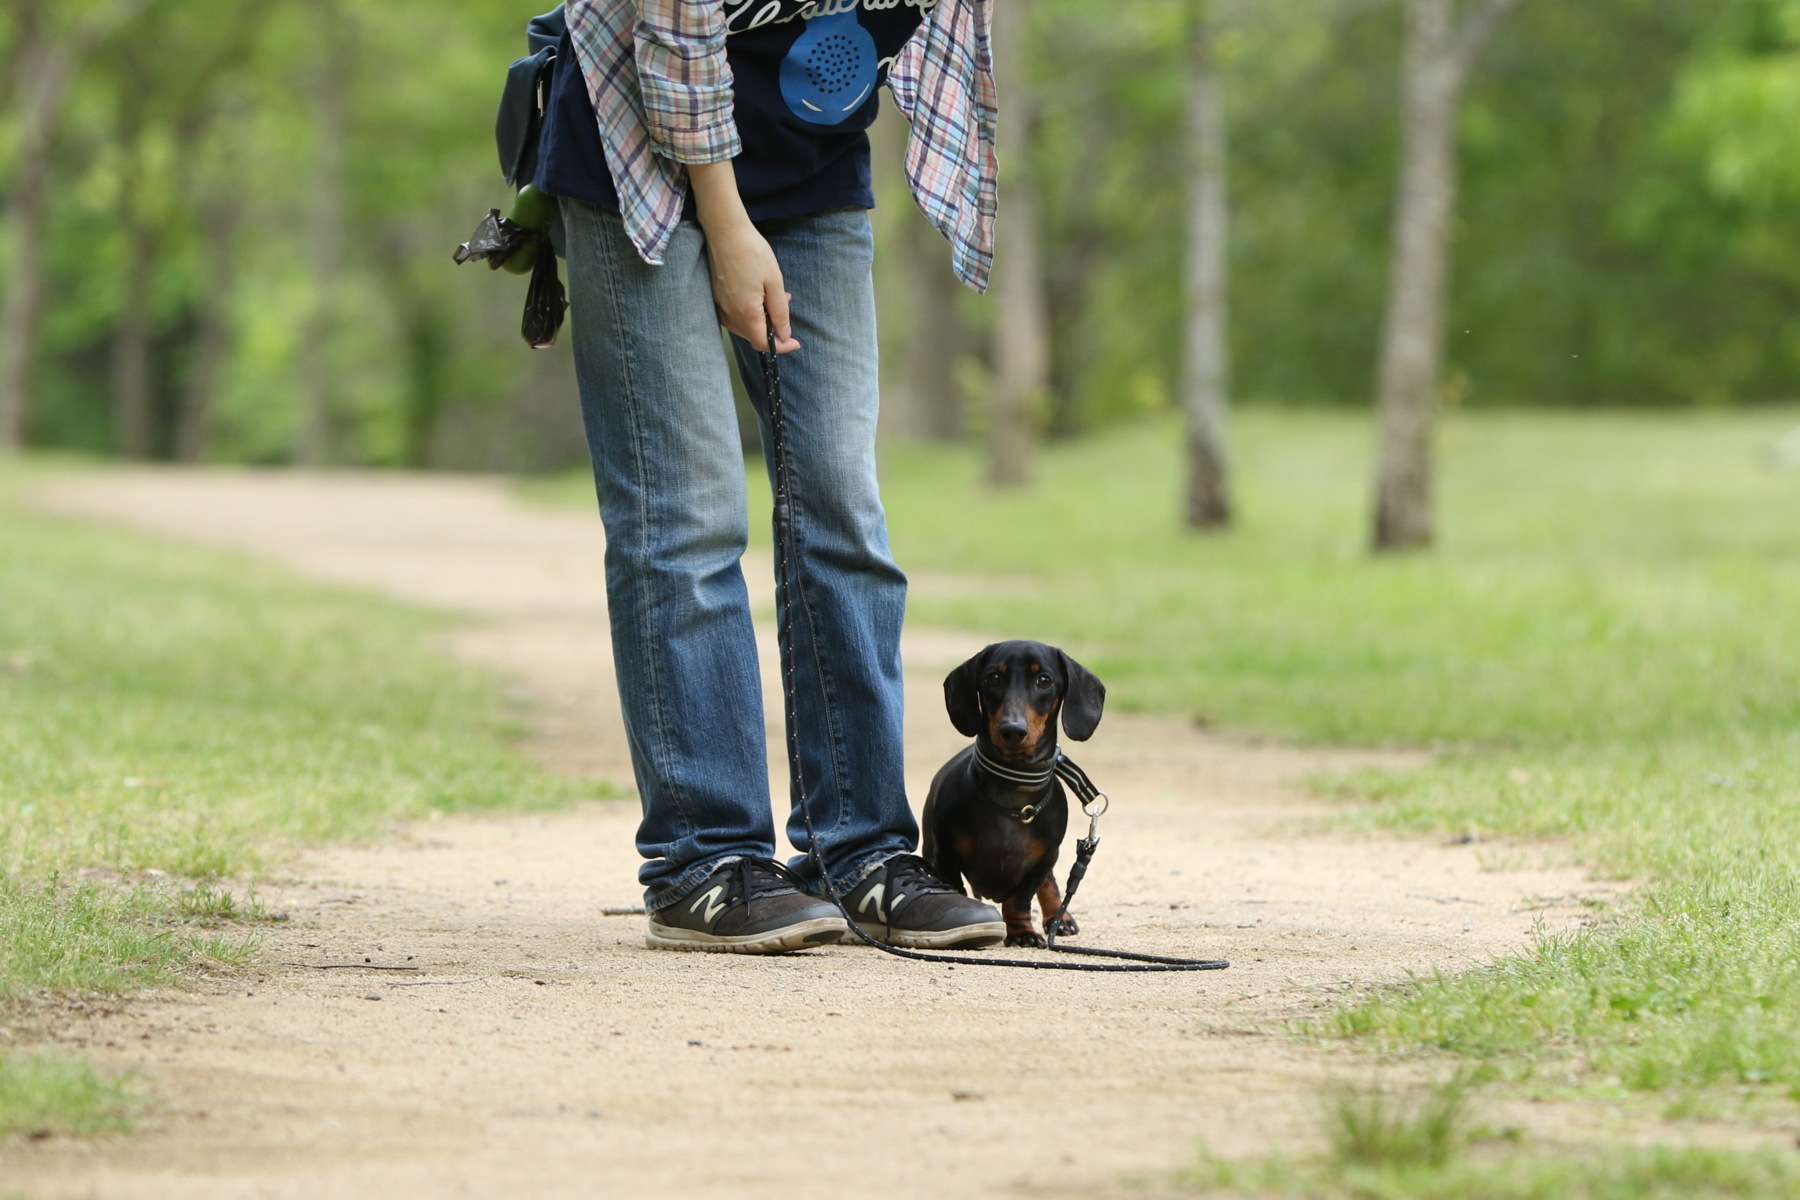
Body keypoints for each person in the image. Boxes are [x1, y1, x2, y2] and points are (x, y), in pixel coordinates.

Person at [537, 0, 1003, 952]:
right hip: (640, 135)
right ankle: (702, 858)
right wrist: (728, 222)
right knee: (689, 516)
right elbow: (669, 31)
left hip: (811, 156)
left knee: (842, 508)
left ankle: (860, 850)